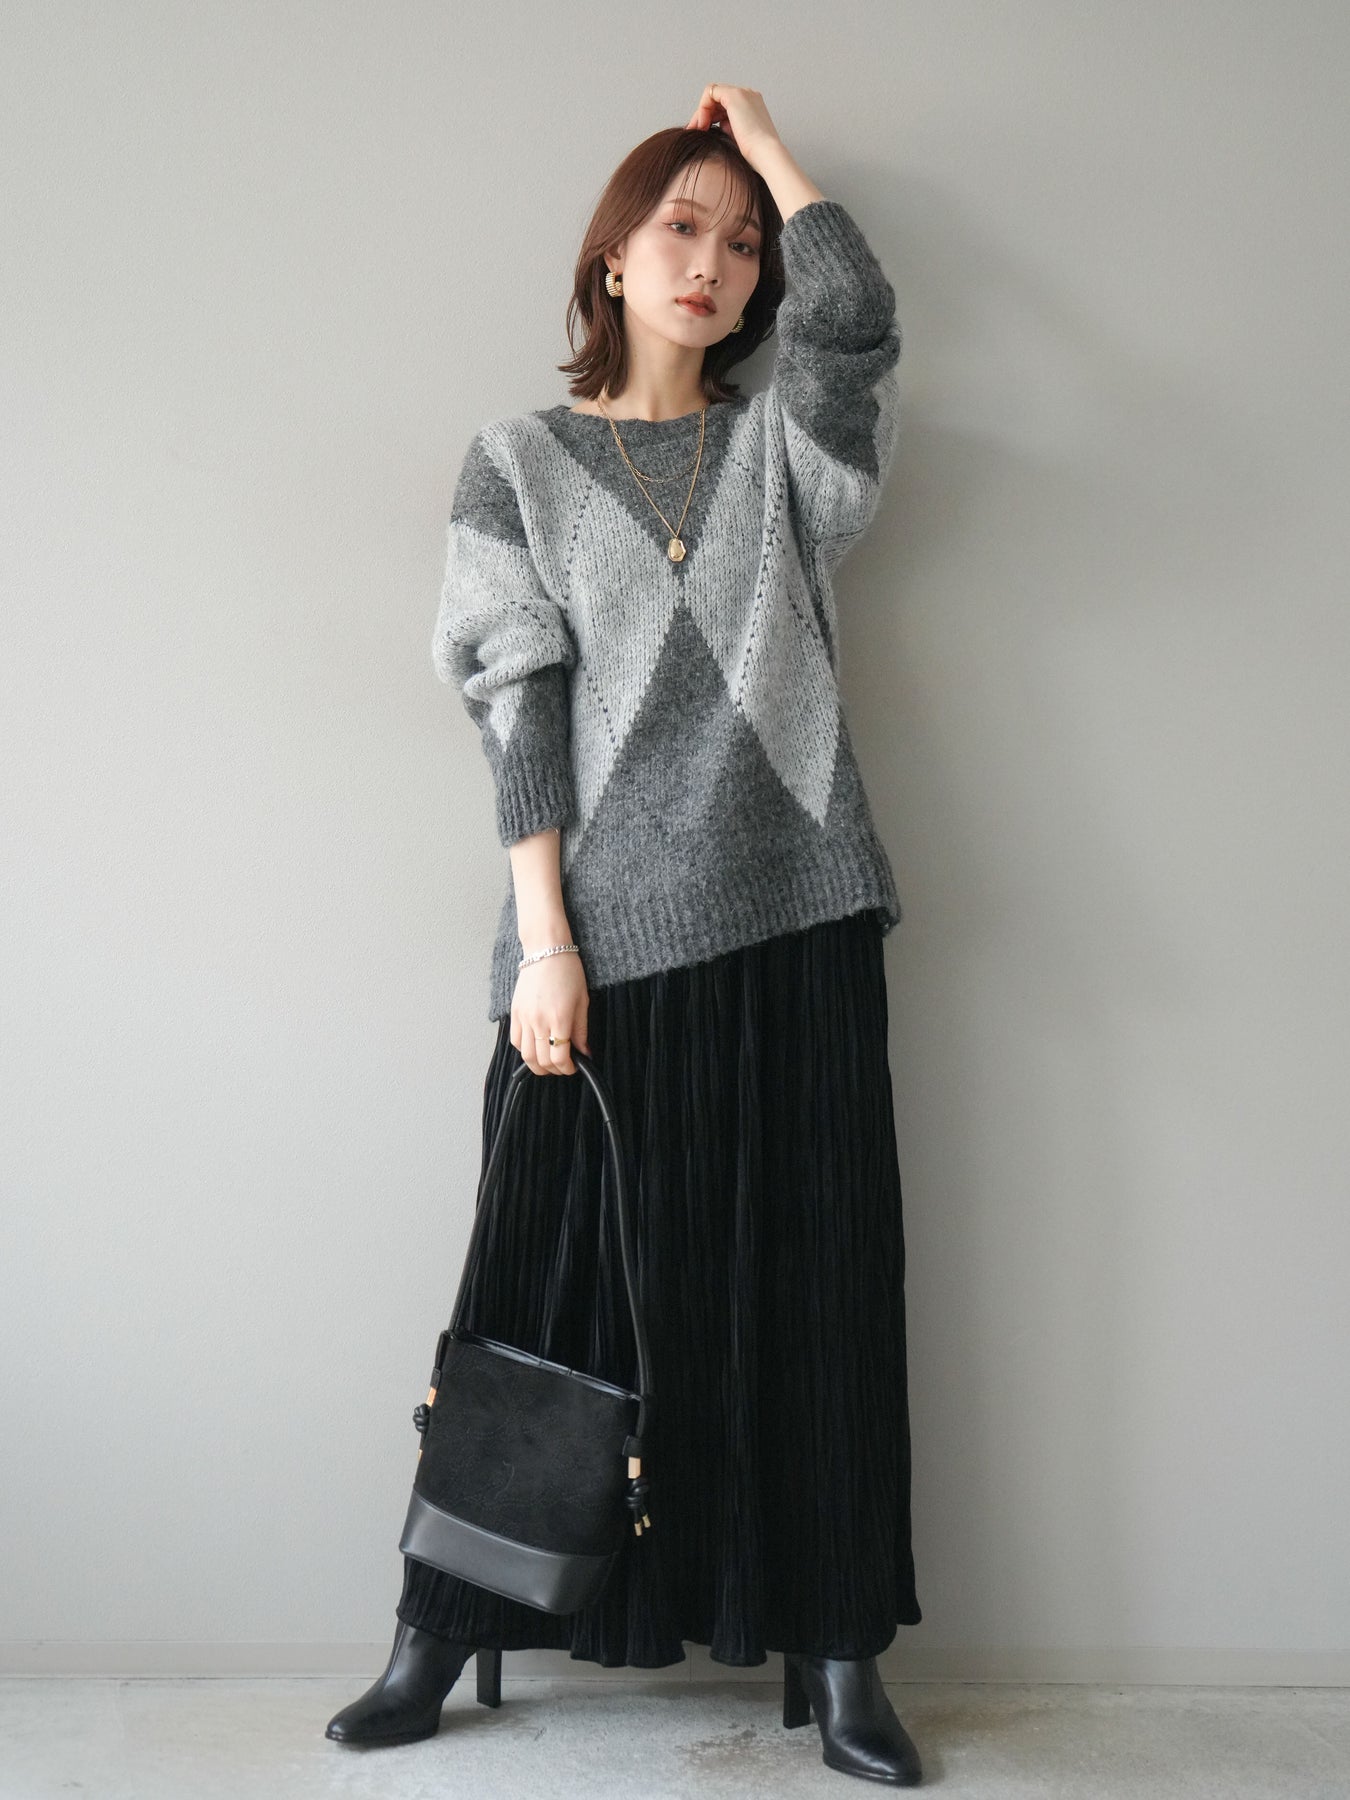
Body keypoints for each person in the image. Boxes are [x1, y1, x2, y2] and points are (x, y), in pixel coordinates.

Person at [326, 83, 923, 1788]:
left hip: (798, 913)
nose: (712, 262)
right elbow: (512, 703)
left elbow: (856, 319)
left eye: (739, 244)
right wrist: (546, 944)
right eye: (679, 225)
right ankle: (437, 1631)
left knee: (815, 1284)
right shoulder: (516, 461)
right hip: (591, 942)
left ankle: (838, 1652)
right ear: (610, 251)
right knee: (538, 1290)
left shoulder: (791, 460)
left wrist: (766, 152)